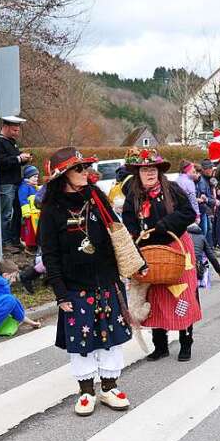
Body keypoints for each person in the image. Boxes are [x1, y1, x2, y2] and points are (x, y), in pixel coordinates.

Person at [37, 146, 132, 415]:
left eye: (86, 167)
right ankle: (87, 391)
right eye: (79, 169)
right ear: (63, 175)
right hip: (76, 288)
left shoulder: (96, 198)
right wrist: (60, 294)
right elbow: (51, 256)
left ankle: (109, 388)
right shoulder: (52, 211)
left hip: (107, 282)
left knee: (110, 338)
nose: (86, 172)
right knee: (82, 341)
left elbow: (117, 234)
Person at [122, 148, 202, 362]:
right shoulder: (133, 196)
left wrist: (165, 224)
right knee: (154, 297)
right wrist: (136, 237)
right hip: (150, 252)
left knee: (181, 294)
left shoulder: (172, 189)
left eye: (153, 169)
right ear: (138, 173)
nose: (150, 173)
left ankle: (186, 342)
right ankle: (160, 344)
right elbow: (128, 222)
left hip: (177, 248)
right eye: (145, 169)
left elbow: (188, 213)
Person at [0, 259, 42, 337]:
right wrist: (31, 323)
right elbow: (13, 305)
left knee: (10, 300)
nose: (14, 280)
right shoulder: (0, 284)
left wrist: (31, 323)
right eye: (13, 277)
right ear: (5, 275)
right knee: (9, 300)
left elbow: (14, 304)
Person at [0, 115, 31, 254]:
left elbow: (15, 160)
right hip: (6, 183)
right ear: (5, 127)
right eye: (14, 130)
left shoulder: (11, 142)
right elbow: (1, 162)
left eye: (17, 130)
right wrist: (18, 158)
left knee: (19, 212)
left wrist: (24, 159)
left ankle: (15, 240)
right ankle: (5, 243)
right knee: (6, 214)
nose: (17, 133)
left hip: (17, 181)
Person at [18, 165, 41, 252]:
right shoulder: (24, 187)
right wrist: (26, 212)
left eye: (37, 177)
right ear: (28, 177)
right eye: (34, 177)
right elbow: (23, 199)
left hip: (36, 213)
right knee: (30, 231)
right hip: (30, 214)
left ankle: (35, 245)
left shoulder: (34, 187)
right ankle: (30, 247)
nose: (36, 179)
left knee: (36, 230)